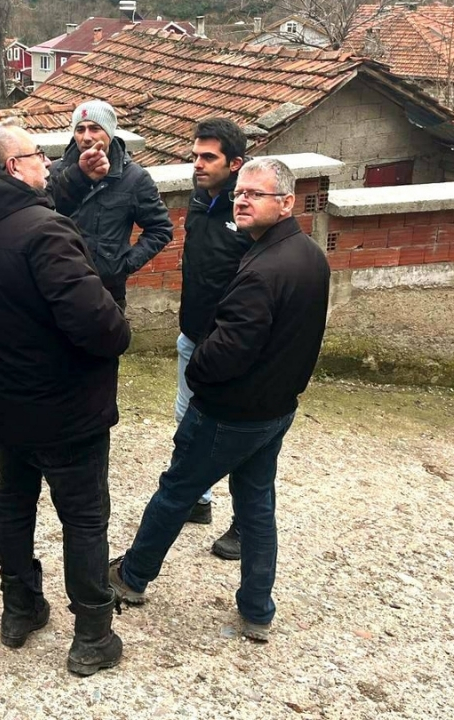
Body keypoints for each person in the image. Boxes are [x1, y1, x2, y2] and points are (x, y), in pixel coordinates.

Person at [108, 157, 331, 643]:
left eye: (256, 194)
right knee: (256, 504)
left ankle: (131, 578)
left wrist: (199, 370)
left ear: (287, 202)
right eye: (240, 193)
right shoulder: (310, 255)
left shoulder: (263, 269)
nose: (243, 200)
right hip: (276, 410)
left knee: (177, 490)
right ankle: (257, 608)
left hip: (232, 412)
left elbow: (224, 353)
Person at [0, 120, 130, 676]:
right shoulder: (44, 232)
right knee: (85, 517)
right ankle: (93, 633)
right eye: (38, 156)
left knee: (15, 502)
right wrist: (121, 327)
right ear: (12, 168)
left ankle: (20, 607)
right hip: (66, 408)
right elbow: (94, 322)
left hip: (5, 400)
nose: (49, 163)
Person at [179, 119, 254, 560]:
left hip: (231, 349)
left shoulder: (248, 212)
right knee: (188, 426)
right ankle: (198, 500)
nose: (198, 165)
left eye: (209, 158)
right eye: (195, 156)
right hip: (192, 339)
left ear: (235, 164)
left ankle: (245, 527)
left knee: (241, 440)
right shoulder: (198, 198)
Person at [48, 101, 172, 309]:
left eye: (95, 128)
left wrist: (122, 265)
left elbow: (160, 229)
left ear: (110, 132)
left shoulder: (134, 178)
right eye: (80, 129)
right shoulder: (56, 172)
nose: (86, 137)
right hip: (59, 283)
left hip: (107, 290)